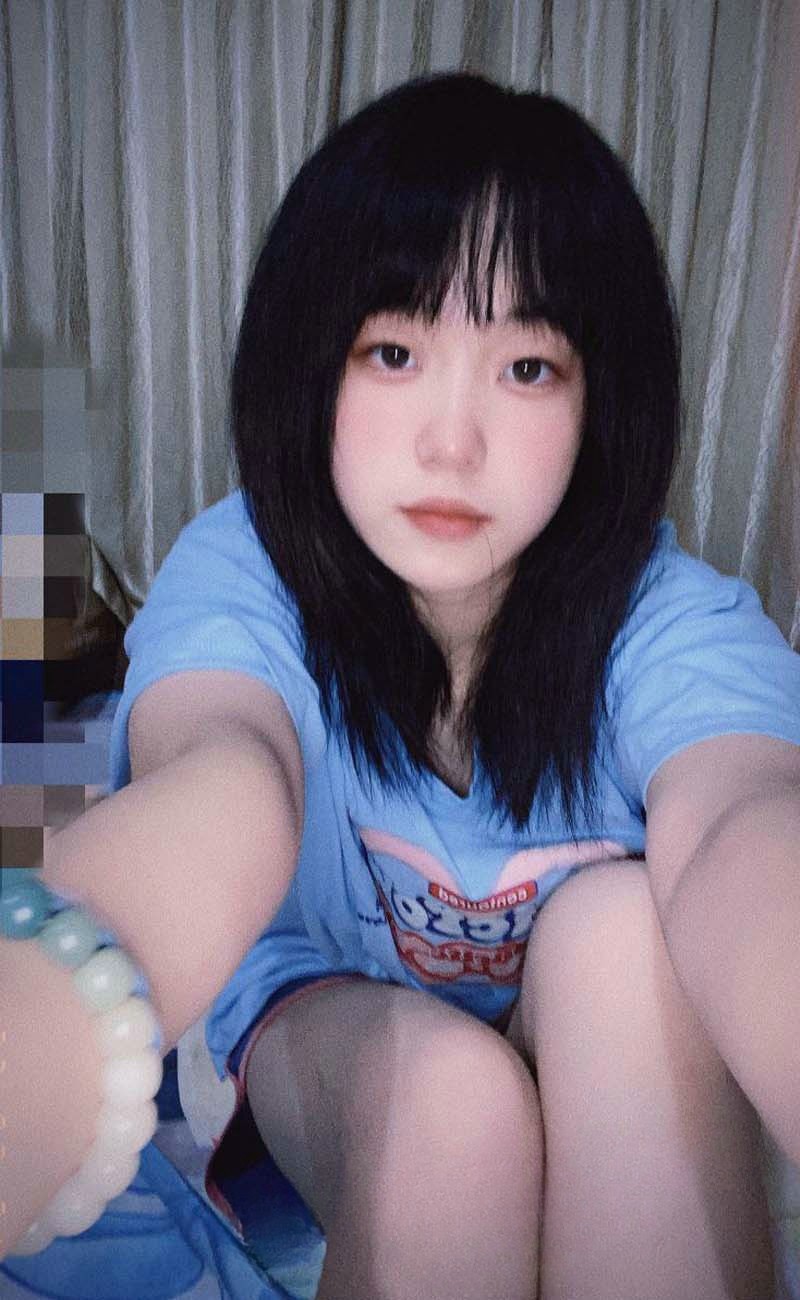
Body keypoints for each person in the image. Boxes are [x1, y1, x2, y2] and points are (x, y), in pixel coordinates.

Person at [3, 72, 800, 1300]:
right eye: (392, 350)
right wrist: (41, 1017)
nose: (450, 441)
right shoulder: (247, 575)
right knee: (453, 1107)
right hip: (330, 1046)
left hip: (606, 1055)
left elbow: (742, 831)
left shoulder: (665, 620)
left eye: (525, 367)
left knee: (621, 933)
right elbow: (224, 785)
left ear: (600, 400)